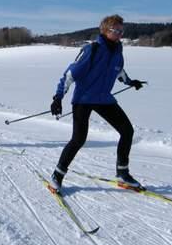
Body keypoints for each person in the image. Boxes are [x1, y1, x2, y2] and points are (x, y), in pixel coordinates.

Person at [48, 14, 146, 193]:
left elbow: (119, 71)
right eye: (115, 30)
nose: (119, 34)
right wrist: (58, 97)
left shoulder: (117, 52)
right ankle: (57, 175)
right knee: (78, 139)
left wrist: (131, 82)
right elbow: (70, 74)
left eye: (121, 31)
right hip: (83, 99)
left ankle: (122, 174)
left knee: (127, 131)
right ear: (105, 30)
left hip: (103, 99)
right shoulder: (91, 49)